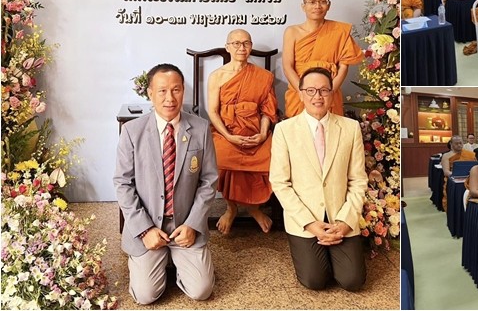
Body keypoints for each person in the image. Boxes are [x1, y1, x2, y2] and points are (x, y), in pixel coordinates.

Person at [114, 64, 217, 305]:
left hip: (184, 224)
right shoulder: (132, 131)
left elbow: (209, 180)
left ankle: (177, 261)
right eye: (162, 91)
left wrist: (193, 223)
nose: (170, 98)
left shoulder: (201, 129)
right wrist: (145, 229)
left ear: (183, 91)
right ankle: (152, 260)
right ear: (150, 93)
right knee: (145, 296)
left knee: (202, 291)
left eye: (176, 90)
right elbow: (122, 183)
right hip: (148, 224)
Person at [270, 67, 368, 291]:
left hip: (341, 216)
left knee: (353, 281)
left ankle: (337, 247)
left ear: (332, 94)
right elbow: (280, 183)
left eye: (324, 90)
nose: (318, 96)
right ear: (300, 93)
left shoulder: (350, 128)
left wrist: (345, 222)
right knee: (315, 281)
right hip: (305, 219)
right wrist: (310, 223)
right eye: (311, 90)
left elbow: (358, 180)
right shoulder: (284, 130)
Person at [208, 29, 278, 235]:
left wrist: (263, 134)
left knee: (273, 156)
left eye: (246, 43)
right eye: (236, 43)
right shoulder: (217, 77)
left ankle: (254, 208)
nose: (241, 48)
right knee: (221, 156)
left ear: (251, 46)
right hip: (225, 132)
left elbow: (268, 111)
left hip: (256, 131)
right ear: (228, 47)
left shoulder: (263, 77)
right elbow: (212, 112)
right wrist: (229, 136)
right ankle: (232, 208)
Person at [282, 0, 364, 117]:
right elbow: (287, 66)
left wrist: (329, 92)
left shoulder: (339, 31)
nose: (317, 6)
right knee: (299, 133)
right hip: (299, 92)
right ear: (303, 6)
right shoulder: (292, 32)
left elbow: (343, 67)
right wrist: (303, 92)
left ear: (329, 5)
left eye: (322, 2)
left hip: (329, 90)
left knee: (330, 133)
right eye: (312, 2)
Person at [440, 135, 477, 211]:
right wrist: (457, 174)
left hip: (469, 180)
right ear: (451, 144)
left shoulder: (470, 154)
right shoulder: (446, 156)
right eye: (456, 143)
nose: (459, 145)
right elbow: (446, 172)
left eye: (460, 143)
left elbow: (476, 167)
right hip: (454, 181)